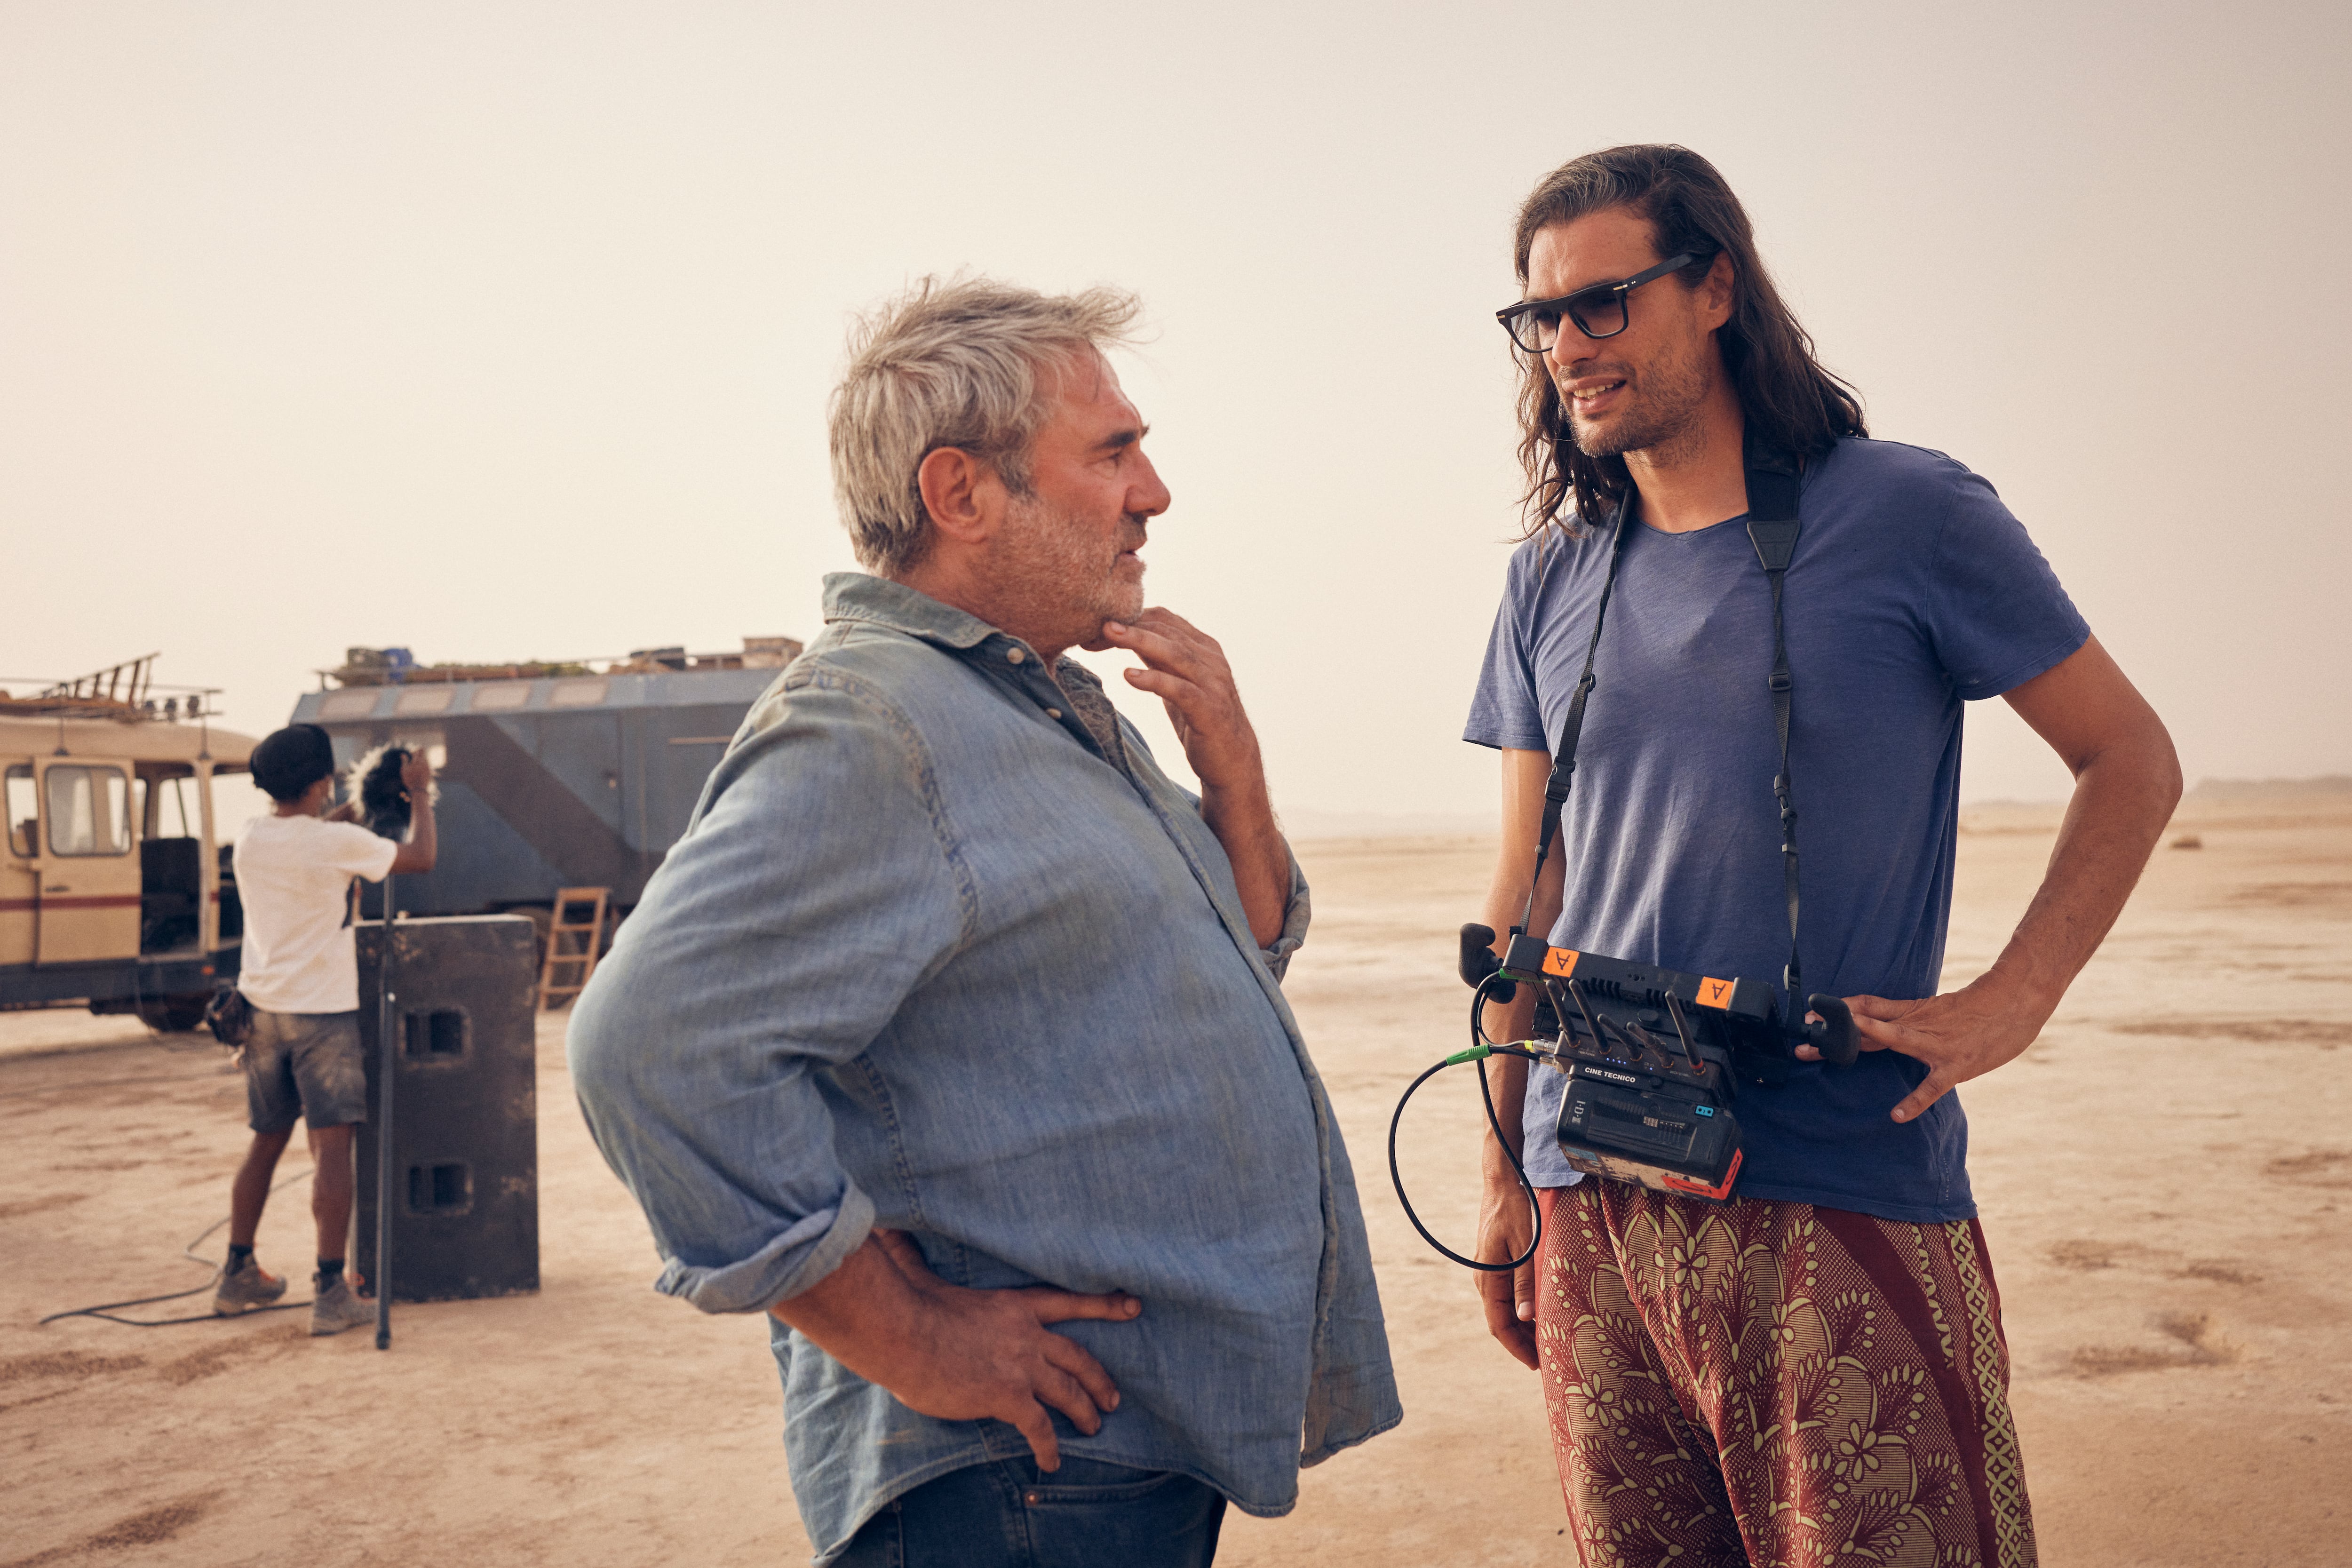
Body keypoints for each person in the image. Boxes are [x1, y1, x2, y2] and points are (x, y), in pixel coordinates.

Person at [567, 277, 1397, 1568]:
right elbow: (650, 1046)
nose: (1155, 492)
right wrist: (911, 1335)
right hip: (1016, 1487)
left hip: (1106, 1464)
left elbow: (1243, 953)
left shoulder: (1039, 706)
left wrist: (1232, 770)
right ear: (961, 494)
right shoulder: (879, 720)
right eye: (1113, 451)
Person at [1464, 145, 2179, 1567]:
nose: (1565, 349)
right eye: (1539, 319)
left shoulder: (1908, 513)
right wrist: (1503, 1177)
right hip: (1591, 1192)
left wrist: (2010, 1001)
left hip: (1836, 1177)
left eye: (1602, 304)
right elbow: (1527, 894)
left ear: (1716, 285)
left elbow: (2132, 759)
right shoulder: (1550, 572)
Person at [214, 723, 436, 1336]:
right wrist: (416, 794)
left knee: (266, 1140)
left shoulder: (253, 838)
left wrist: (354, 809)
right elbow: (420, 857)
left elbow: (316, 833)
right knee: (332, 1150)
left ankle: (237, 1271)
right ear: (319, 782)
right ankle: (331, 1289)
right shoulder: (332, 844)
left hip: (260, 1014)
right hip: (323, 1019)